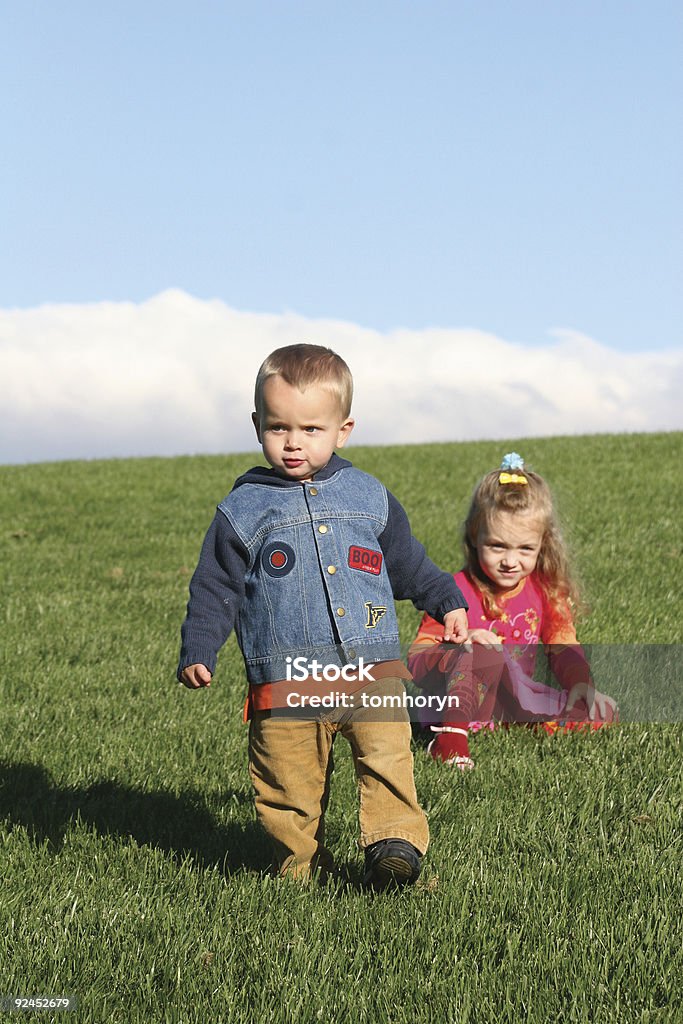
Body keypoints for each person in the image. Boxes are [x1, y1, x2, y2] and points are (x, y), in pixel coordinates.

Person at [177, 344, 469, 887]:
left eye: (311, 429)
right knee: (287, 785)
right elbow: (214, 586)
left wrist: (446, 600)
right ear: (257, 424)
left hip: (371, 670)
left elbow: (408, 563)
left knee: (388, 759)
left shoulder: (369, 496)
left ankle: (394, 845)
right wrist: (200, 648)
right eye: (278, 427)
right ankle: (296, 870)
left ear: (343, 429)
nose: (292, 442)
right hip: (287, 679)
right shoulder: (241, 511)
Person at [408, 452, 618, 769]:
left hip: (513, 704)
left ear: (542, 546)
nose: (510, 561)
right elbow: (417, 658)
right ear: (474, 537)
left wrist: (581, 685)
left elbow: (562, 645)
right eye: (497, 546)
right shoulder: (453, 590)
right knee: (483, 652)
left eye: (525, 549)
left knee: (602, 711)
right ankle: (450, 741)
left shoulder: (546, 590)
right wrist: (458, 645)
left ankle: (521, 721)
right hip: (457, 702)